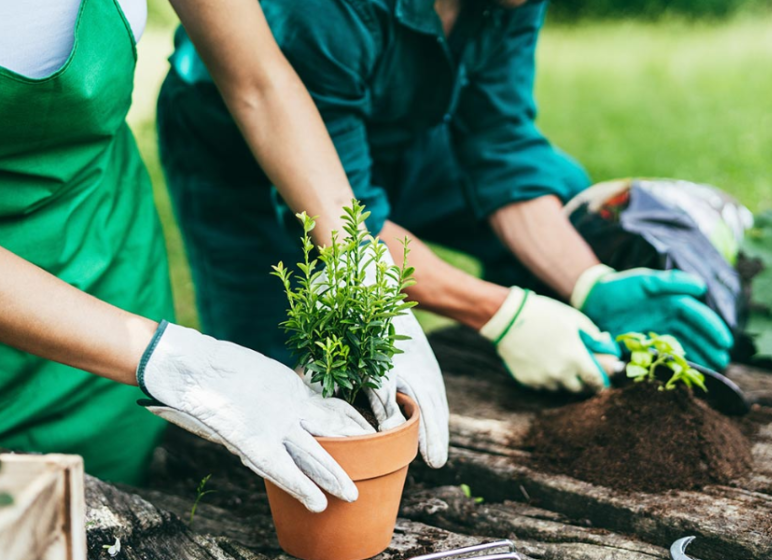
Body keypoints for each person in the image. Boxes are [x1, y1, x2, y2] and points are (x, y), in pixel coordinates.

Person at [0, 0, 447, 513]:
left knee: (125, 515)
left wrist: (356, 264)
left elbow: (257, 79)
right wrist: (172, 362)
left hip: (105, 262)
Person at [157, 0, 734, 393]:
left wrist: (590, 281)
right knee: (288, 373)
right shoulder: (325, 12)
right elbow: (347, 224)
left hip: (406, 120)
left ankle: (562, 346)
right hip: (247, 160)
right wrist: (503, 316)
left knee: (559, 191)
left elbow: (498, 139)